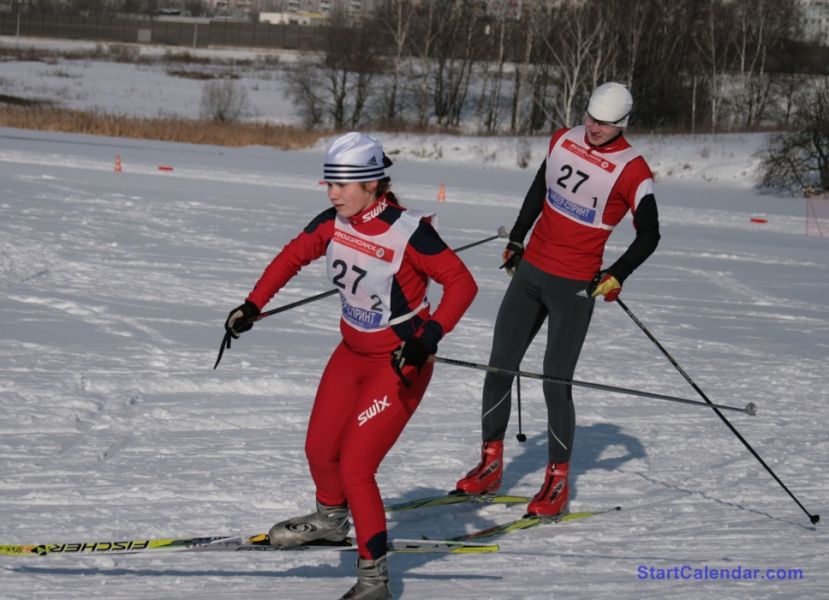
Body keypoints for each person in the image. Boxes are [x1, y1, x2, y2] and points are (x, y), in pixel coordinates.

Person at [225, 132, 477, 600]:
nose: (332, 193)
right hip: (350, 354)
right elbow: (292, 255)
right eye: (329, 184)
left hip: (399, 362)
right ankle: (329, 520)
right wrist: (252, 304)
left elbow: (462, 285)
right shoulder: (334, 221)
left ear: (373, 184)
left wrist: (428, 336)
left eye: (342, 184)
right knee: (320, 450)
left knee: (357, 466)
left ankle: (374, 580)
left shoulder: (410, 232)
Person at [454, 82, 661, 517]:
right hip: (531, 272)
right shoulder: (563, 139)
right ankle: (490, 463)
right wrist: (516, 236)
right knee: (498, 367)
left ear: (622, 124)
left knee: (555, 381)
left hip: (575, 285)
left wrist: (617, 274)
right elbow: (539, 188)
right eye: (589, 117)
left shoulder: (634, 170)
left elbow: (650, 234)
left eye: (603, 124)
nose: (593, 128)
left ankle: (557, 480)